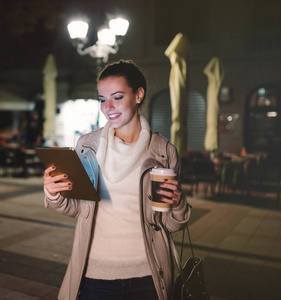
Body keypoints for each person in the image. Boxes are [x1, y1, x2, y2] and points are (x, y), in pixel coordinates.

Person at [43, 60, 191, 300]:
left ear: (139, 95)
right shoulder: (87, 146)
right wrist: (54, 192)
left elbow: (172, 224)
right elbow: (77, 208)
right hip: (95, 275)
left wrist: (177, 203)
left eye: (117, 97)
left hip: (150, 275)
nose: (108, 107)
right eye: (102, 99)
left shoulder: (163, 150)